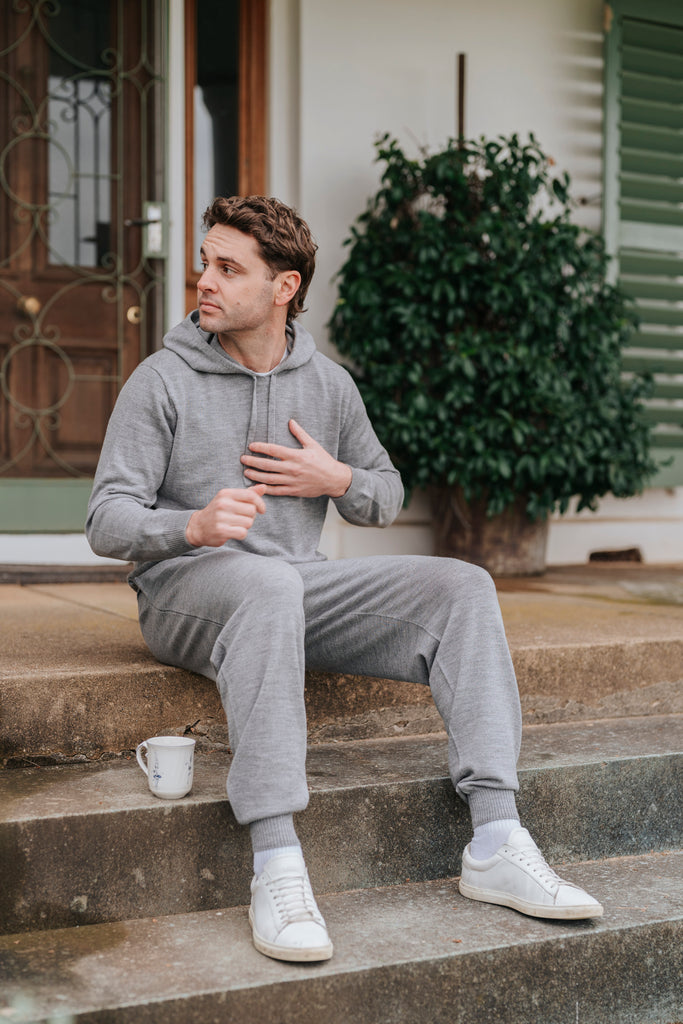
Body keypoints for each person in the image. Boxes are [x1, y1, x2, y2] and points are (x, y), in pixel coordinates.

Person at [86, 195, 603, 964]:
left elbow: (385, 494)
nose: (205, 280)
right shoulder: (161, 380)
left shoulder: (327, 385)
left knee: (462, 586)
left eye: (229, 267)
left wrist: (334, 476)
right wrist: (187, 527)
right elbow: (105, 519)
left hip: (296, 586)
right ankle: (277, 863)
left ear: (283, 286)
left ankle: (495, 838)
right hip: (184, 591)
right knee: (265, 586)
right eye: (205, 262)